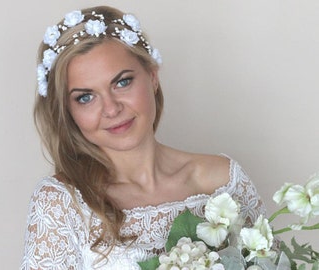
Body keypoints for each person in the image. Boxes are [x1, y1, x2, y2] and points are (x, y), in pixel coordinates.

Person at [21, 5, 266, 269]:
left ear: (152, 77)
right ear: (69, 111)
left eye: (122, 82)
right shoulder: (61, 204)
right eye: (86, 97)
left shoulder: (222, 181)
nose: (112, 109)